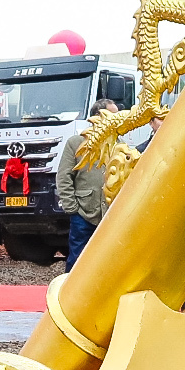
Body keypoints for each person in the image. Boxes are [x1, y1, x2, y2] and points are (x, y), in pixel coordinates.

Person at [57, 98, 118, 271]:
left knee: (108, 262)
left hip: (111, 215)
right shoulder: (76, 143)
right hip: (83, 214)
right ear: (98, 116)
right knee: (77, 261)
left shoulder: (119, 145)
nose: (118, 119)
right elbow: (64, 177)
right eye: (113, 115)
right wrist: (72, 208)